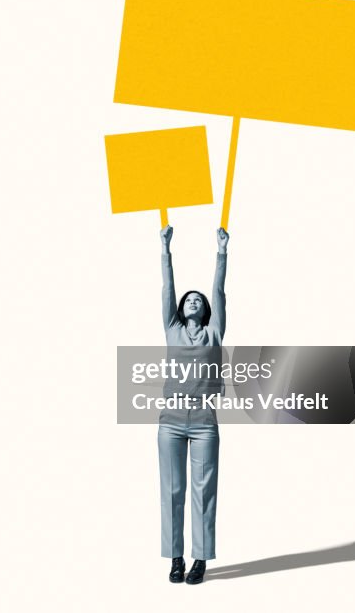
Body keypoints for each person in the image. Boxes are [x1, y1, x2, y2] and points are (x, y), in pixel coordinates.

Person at [158, 225, 229, 585]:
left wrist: (221, 252)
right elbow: (167, 290)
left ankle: (200, 559)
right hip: (170, 421)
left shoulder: (215, 331)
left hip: (204, 422)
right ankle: (175, 558)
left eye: (198, 300)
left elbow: (218, 291)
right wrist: (166, 250)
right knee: (172, 489)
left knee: (204, 490)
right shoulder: (171, 328)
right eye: (189, 299)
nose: (194, 301)